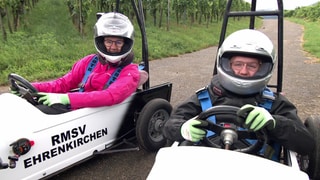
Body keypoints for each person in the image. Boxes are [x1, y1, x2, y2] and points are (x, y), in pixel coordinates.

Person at [162, 29, 314, 157]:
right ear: (227, 64)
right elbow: (170, 125)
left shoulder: (275, 103)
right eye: (238, 64)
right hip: (206, 164)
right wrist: (182, 128)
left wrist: (274, 123)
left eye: (252, 66)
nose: (243, 71)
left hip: (259, 169)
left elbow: (306, 144)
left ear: (262, 68)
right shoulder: (205, 96)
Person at [11, 12, 141, 114]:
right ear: (101, 41)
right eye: (108, 41)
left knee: (41, 113)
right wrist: (31, 87)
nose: (112, 47)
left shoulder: (130, 72)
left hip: (96, 114)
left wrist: (67, 99)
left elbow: (110, 96)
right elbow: (63, 84)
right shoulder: (90, 61)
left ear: (126, 44)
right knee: (27, 108)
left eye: (118, 42)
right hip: (79, 110)